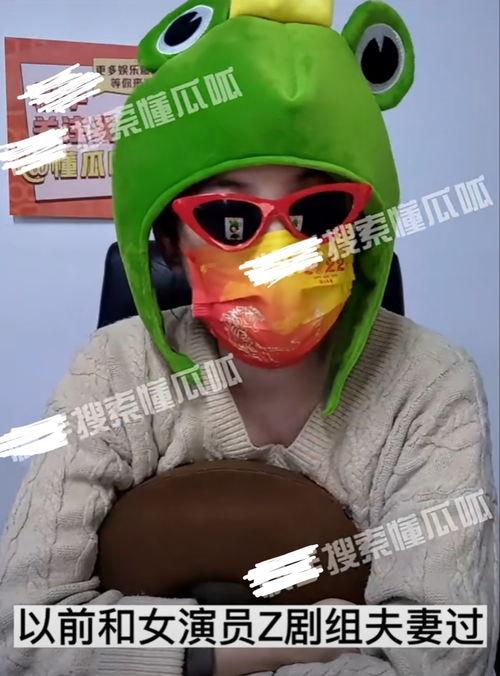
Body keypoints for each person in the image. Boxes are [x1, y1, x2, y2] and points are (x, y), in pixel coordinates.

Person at [1, 1, 498, 675]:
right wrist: (282, 639)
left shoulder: (431, 384)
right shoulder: (113, 372)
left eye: (319, 212)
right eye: (230, 218)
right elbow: (23, 631)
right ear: (168, 244)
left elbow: (441, 652)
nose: (281, 254)